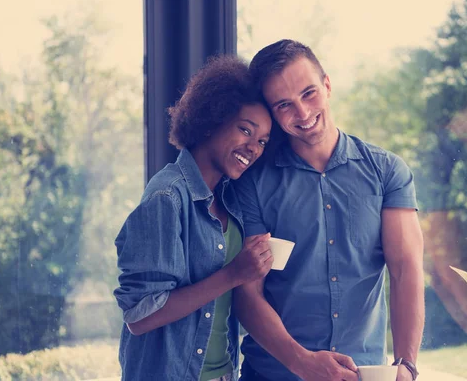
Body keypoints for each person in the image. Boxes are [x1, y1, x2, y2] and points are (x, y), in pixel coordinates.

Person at [234, 40, 425, 381]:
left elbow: (405, 270)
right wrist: (302, 363)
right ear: (271, 113)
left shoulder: (387, 172)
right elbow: (248, 293)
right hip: (273, 375)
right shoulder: (252, 184)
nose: (303, 113)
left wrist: (406, 365)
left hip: (363, 374)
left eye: (309, 93)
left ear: (327, 85)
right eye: (284, 105)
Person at [113, 55, 274, 381]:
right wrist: (234, 273)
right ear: (212, 119)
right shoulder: (167, 198)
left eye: (262, 142)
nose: (253, 148)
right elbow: (139, 316)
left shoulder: (231, 199)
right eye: (245, 130)